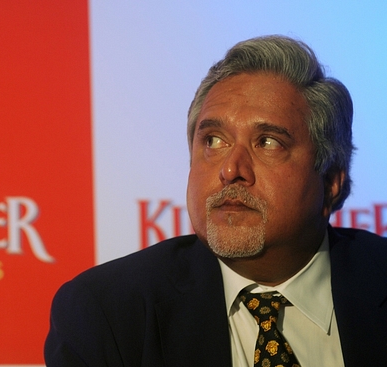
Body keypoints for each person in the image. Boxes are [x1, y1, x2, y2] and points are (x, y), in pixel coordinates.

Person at [44, 35, 387, 366]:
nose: (230, 169)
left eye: (268, 142)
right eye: (213, 140)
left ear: (330, 182)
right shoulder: (107, 314)